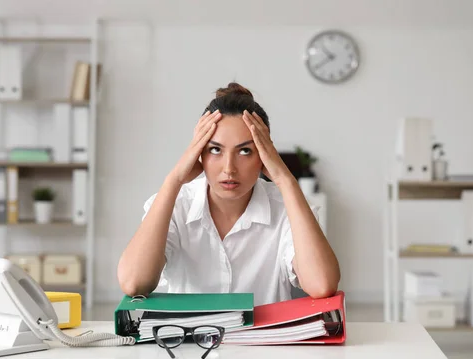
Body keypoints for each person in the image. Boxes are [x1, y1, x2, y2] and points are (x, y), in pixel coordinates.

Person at [117, 82, 340, 305]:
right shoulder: (175, 205)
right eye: (215, 149)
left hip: (264, 341)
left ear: (264, 155)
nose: (229, 168)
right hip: (188, 340)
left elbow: (321, 284)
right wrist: (174, 180)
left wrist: (285, 179)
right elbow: (134, 283)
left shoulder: (286, 209)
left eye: (245, 151)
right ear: (199, 154)